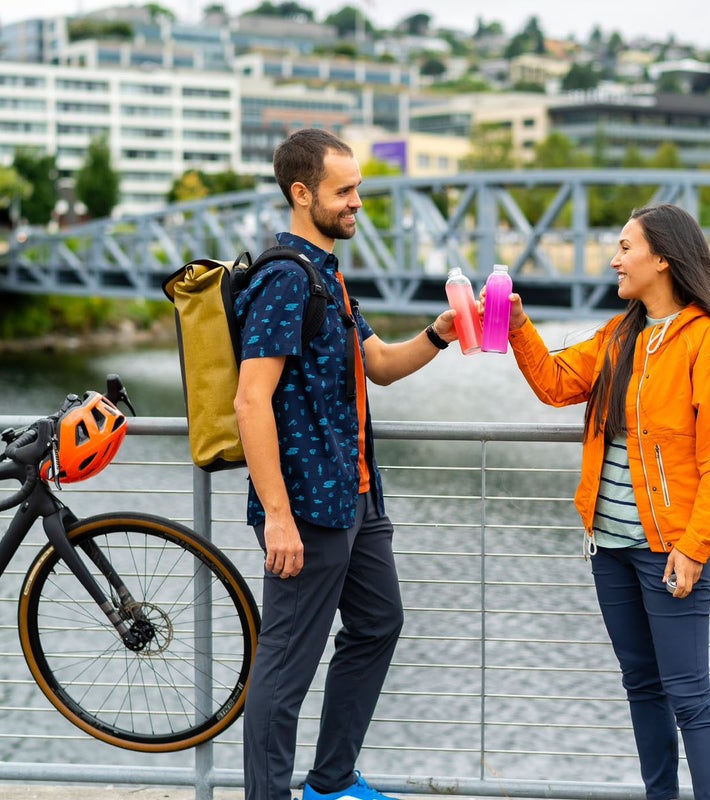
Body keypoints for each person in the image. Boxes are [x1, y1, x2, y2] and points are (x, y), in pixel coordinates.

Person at [488, 203, 710, 800]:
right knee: (641, 684)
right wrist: (514, 324)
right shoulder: (621, 335)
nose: (614, 259)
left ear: (663, 259)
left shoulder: (705, 344)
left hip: (668, 551)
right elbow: (556, 384)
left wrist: (694, 548)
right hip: (607, 546)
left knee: (690, 696)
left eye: (625, 247)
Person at [234, 128, 459, 800]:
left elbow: (381, 366)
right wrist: (278, 517)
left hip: (358, 499)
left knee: (378, 623)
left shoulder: (327, 276)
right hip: (306, 509)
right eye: (345, 191)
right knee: (284, 668)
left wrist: (439, 334)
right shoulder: (283, 280)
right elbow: (251, 401)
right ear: (302, 194)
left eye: (358, 188)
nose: (358, 202)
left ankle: (329, 782)